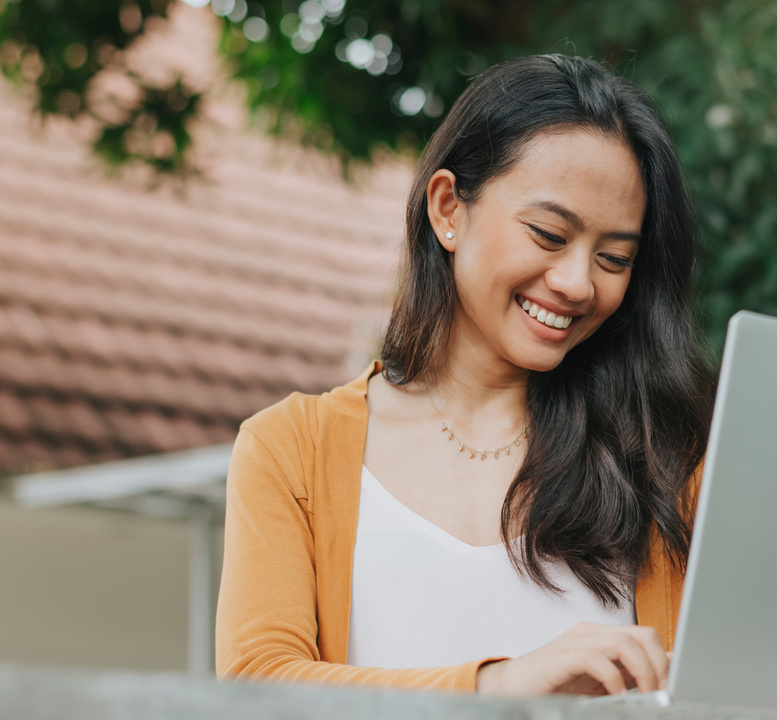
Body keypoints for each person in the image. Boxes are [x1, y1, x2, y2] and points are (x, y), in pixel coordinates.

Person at [215, 53, 713, 696]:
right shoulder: (291, 450)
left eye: (615, 257)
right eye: (548, 234)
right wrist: (497, 688)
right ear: (449, 209)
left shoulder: (670, 464)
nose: (576, 283)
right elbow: (256, 690)